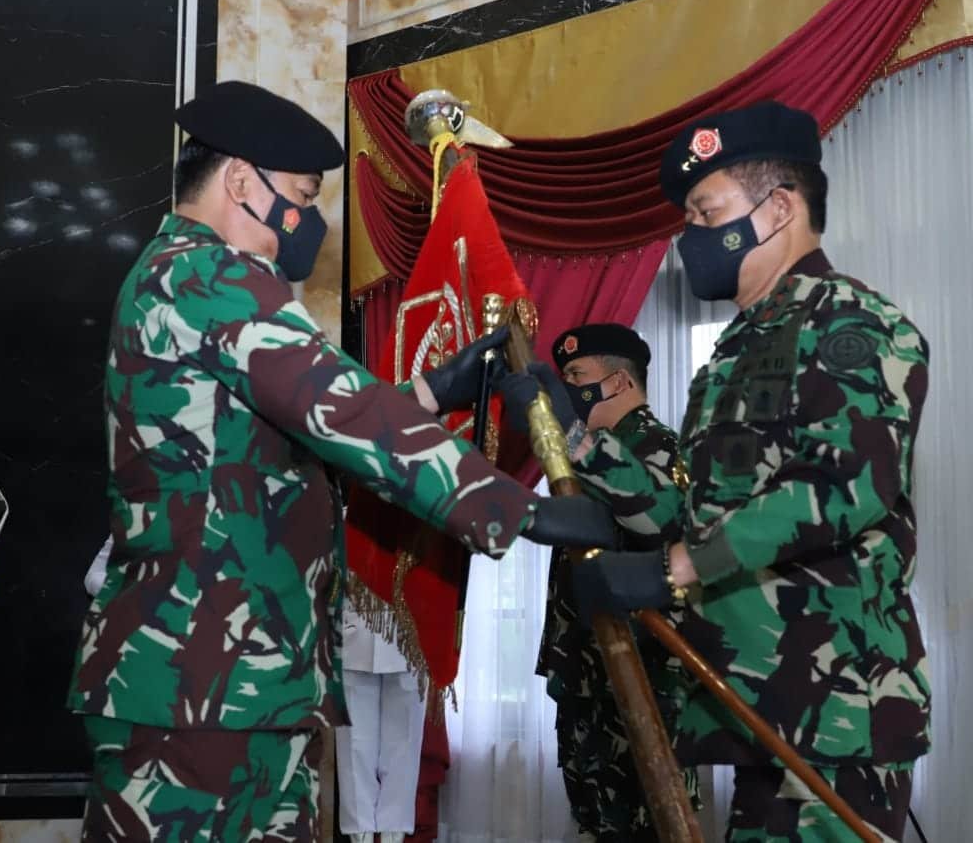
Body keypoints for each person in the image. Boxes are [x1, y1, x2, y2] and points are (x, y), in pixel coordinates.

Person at [65, 80, 614, 842]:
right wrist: (523, 511)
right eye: (300, 196)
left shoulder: (179, 277)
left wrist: (431, 389)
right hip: (200, 686)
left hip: (225, 680)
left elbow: (290, 425)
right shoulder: (211, 276)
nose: (308, 221)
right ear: (240, 181)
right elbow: (339, 410)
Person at [573, 103, 931, 841]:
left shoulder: (850, 323)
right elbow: (700, 512)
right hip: (754, 705)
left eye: (707, 213)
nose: (692, 238)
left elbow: (842, 487)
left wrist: (674, 568)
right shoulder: (733, 354)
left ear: (778, 209)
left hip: (836, 715)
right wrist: (583, 477)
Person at [499, 324, 699, 842]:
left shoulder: (656, 445)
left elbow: (658, 525)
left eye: (577, 375)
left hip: (643, 677)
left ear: (618, 382)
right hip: (587, 673)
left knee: (648, 824)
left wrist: (566, 430)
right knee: (594, 821)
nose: (568, 388)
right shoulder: (585, 457)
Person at [335, 590, 424, 843]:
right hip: (353, 622)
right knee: (354, 744)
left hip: (412, 624)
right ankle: (359, 836)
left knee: (404, 744)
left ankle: (393, 836)